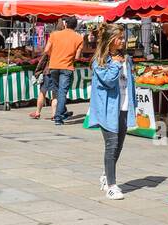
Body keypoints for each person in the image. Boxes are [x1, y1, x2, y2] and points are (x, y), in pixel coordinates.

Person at [89, 24, 136, 200]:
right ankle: (111, 185)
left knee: (119, 145)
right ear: (110, 40)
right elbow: (109, 80)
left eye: (123, 38)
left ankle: (106, 175)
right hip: (107, 109)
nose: (123, 41)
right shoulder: (100, 61)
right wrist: (116, 65)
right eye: (120, 38)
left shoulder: (125, 58)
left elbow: (129, 82)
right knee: (111, 145)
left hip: (123, 106)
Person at [37, 17, 84, 126]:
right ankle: (58, 116)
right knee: (62, 91)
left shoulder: (54, 35)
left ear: (65, 24)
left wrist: (54, 56)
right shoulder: (79, 38)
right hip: (67, 67)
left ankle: (62, 112)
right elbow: (77, 57)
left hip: (53, 66)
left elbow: (46, 50)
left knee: (57, 90)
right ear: (76, 26)